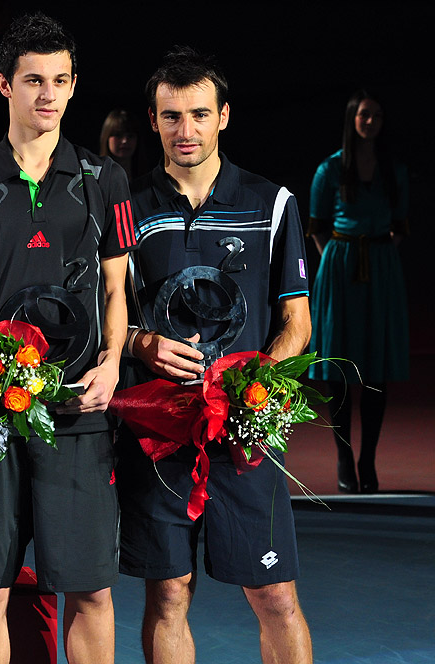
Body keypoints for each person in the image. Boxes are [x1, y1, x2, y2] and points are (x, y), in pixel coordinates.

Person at [0, 13, 135, 664]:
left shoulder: (108, 182)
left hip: (78, 410)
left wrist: (110, 363)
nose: (48, 94)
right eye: (33, 80)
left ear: (74, 87)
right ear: (3, 85)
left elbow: (115, 292)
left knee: (91, 590)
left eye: (60, 80)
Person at [118, 47, 313, 664]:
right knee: (169, 593)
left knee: (275, 595)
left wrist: (258, 383)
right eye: (171, 117)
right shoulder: (126, 206)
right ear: (152, 121)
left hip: (244, 428)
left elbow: (296, 322)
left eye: (199, 114)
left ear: (223, 116)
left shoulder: (272, 202)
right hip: (161, 431)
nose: (186, 130)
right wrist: (139, 343)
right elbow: (110, 316)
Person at [306, 90, 409, 494]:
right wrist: (339, 259)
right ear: (352, 118)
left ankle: (368, 459)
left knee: (376, 367)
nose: (371, 121)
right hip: (340, 267)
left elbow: (400, 225)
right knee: (341, 372)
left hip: (381, 268)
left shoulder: (392, 167)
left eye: (378, 115)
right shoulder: (330, 168)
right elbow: (316, 226)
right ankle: (344, 456)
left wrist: (378, 256)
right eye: (365, 114)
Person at [99, 108, 145, 179]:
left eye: (130, 136)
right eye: (118, 135)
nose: (125, 141)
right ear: (106, 138)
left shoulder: (149, 178)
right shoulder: (95, 178)